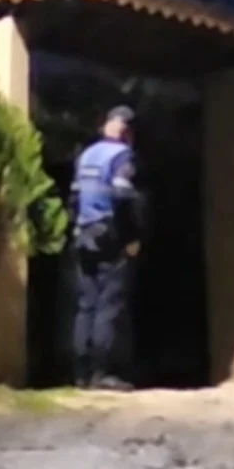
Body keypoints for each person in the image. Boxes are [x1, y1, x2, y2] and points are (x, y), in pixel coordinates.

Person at [69, 105, 144, 391]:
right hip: (109, 236)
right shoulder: (122, 156)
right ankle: (102, 373)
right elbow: (123, 195)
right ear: (127, 132)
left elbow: (74, 198)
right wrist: (131, 237)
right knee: (109, 304)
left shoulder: (86, 156)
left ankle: (81, 374)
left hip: (84, 234)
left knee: (85, 305)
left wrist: (78, 227)